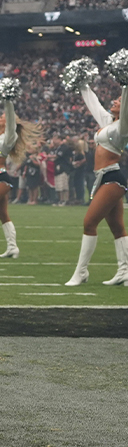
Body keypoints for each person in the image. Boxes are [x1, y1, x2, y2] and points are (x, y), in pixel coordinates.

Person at [66, 67, 128, 285]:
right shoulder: (109, 123)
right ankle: (125, 271)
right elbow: (94, 104)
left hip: (112, 178)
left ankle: (81, 272)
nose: (114, 101)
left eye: (119, 100)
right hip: (103, 178)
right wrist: (82, 83)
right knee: (117, 227)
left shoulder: (123, 127)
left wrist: (125, 82)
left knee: (89, 222)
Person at [0, 100, 38, 259]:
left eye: (1, 117)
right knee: (3, 214)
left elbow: (10, 119)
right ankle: (12, 247)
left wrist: (8, 101)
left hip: (0, 178)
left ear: (8, 121)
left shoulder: (10, 136)